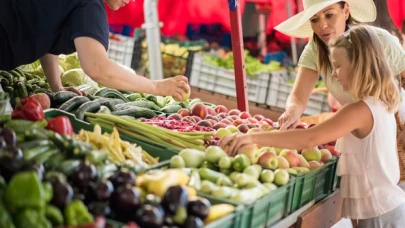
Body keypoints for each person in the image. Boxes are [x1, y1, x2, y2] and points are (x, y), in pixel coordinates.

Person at [220, 25, 405, 228]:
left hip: (381, 214)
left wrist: (252, 138)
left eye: (338, 66)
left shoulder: (359, 111)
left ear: (358, 65)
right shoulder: (379, 102)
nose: (333, 74)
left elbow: (310, 138)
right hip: (385, 208)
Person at [0, 0, 190, 100]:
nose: (132, 0)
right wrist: (156, 87)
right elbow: (98, 68)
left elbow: (47, 34)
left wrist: (56, 86)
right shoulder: (90, 5)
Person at [273, 0, 405, 130]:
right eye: (314, 20)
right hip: (358, 129)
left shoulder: (381, 40)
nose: (322, 25)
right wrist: (291, 111)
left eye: (329, 15)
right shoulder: (315, 49)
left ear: (346, 10)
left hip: (396, 126)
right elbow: (298, 96)